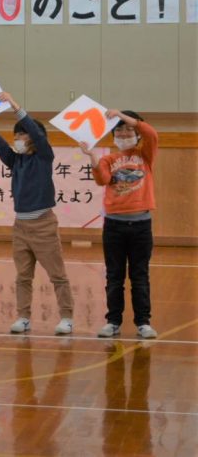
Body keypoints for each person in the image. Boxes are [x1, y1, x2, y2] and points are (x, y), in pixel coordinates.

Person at [0, 92, 73, 335]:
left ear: (35, 137)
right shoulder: (15, 160)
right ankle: (23, 317)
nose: (18, 138)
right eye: (16, 134)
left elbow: (38, 134)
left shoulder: (44, 156)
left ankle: (66, 317)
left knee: (57, 275)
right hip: (20, 227)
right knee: (23, 277)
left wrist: (15, 107)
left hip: (43, 225)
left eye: (23, 133)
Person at [83, 109, 159, 339]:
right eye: (119, 130)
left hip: (141, 226)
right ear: (112, 135)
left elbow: (152, 134)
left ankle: (143, 322)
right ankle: (113, 321)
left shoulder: (145, 153)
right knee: (114, 276)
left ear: (136, 133)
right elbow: (102, 180)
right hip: (114, 226)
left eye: (128, 130)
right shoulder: (108, 159)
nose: (124, 133)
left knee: (139, 275)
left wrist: (123, 117)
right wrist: (93, 159)